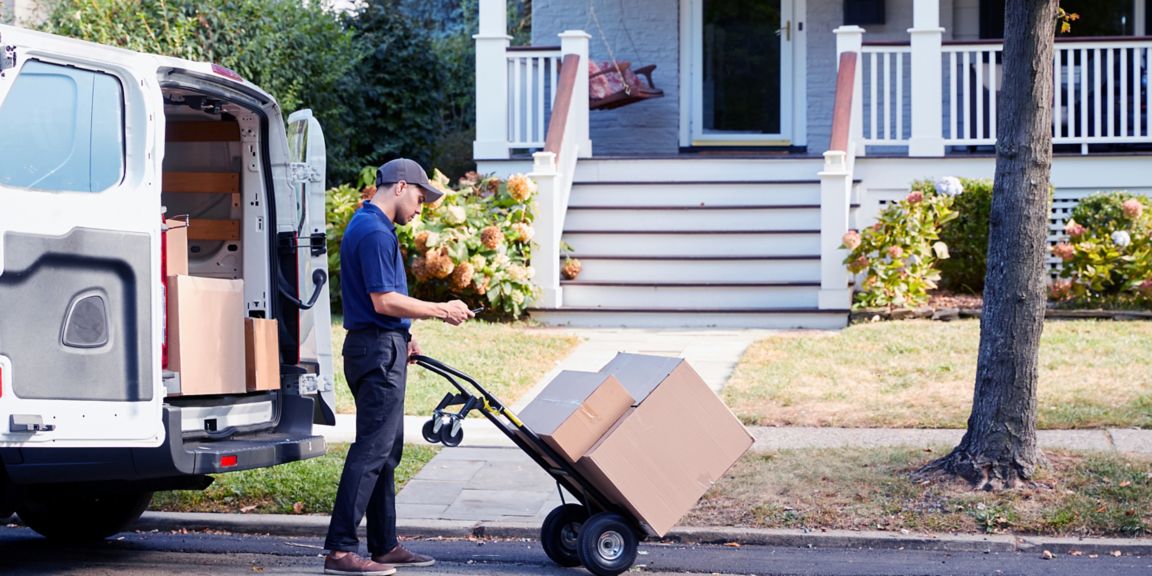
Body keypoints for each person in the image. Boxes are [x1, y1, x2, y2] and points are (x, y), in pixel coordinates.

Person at [323, 158, 474, 575]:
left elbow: (382, 304)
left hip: (380, 346)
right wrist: (440, 310)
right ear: (401, 186)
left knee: (386, 450)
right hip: (375, 352)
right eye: (421, 199)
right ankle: (339, 551)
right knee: (372, 450)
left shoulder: (370, 225)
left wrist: (405, 334)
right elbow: (382, 300)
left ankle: (384, 544)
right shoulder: (373, 231)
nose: (421, 208)